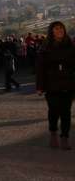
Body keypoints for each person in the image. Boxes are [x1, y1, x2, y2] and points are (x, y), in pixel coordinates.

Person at [35, 21, 75, 150]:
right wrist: (40, 86)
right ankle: (53, 133)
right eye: (56, 28)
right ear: (51, 31)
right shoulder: (45, 47)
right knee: (54, 110)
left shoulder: (71, 45)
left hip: (68, 83)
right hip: (51, 84)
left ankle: (65, 137)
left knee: (66, 112)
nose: (59, 30)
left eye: (61, 28)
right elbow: (40, 68)